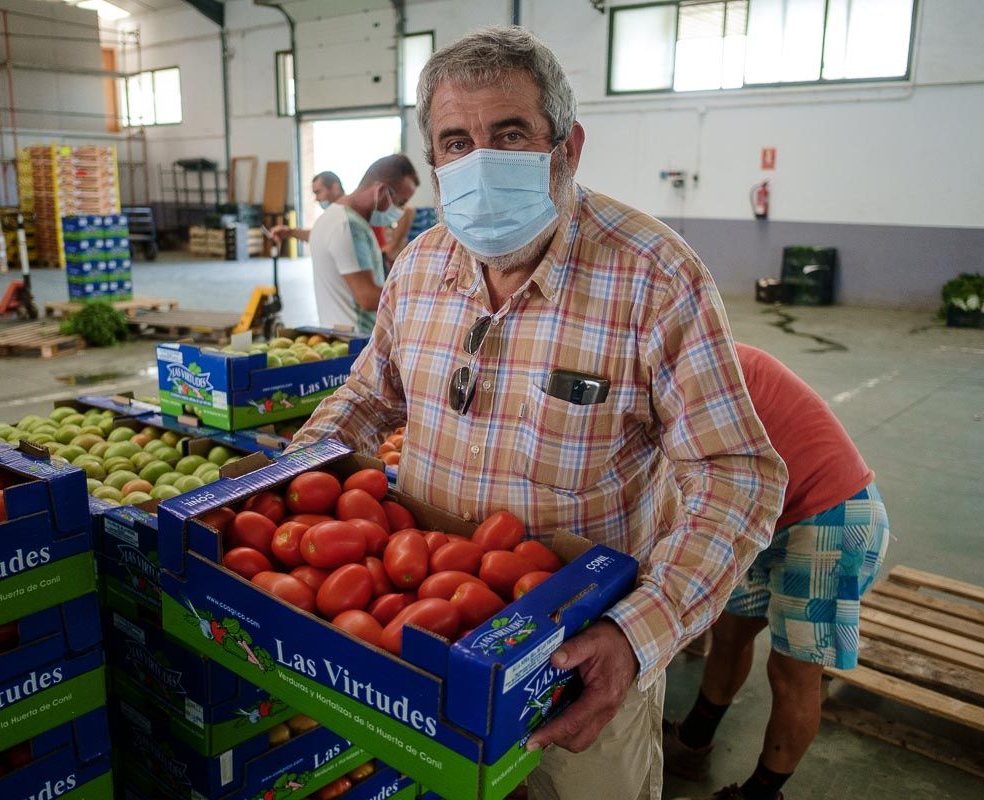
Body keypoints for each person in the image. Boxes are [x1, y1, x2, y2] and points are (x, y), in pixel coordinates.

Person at [289, 27, 786, 800]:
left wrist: (637, 632)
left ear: (568, 147)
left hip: (577, 663)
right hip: (423, 635)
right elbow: (366, 397)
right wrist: (287, 487)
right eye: (456, 141)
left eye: (509, 133)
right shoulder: (421, 266)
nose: (479, 159)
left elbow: (736, 476)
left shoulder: (654, 277)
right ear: (434, 161)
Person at [667, 343, 890, 800]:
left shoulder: (710, 372)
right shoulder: (683, 364)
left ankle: (762, 792)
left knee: (792, 674)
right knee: (731, 633)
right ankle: (693, 742)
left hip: (829, 516)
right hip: (768, 514)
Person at [306, 154, 418, 334]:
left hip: (336, 334)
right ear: (381, 191)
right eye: (400, 202)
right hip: (356, 339)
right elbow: (367, 298)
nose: (400, 210)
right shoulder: (349, 226)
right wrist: (420, 292)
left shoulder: (330, 218)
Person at [271, 171, 346, 243]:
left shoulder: (348, 214)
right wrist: (290, 232)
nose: (316, 199)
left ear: (335, 188)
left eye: (318, 192)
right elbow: (319, 236)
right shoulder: (334, 215)